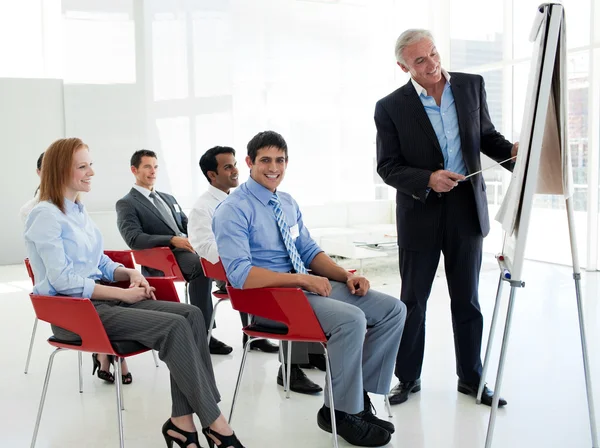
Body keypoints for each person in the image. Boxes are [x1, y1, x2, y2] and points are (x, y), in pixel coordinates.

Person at [24, 138, 245, 448]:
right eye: (83, 166)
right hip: (76, 314)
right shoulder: (45, 215)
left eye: (91, 165)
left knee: (192, 314)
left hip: (98, 304)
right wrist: (122, 295)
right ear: (62, 170)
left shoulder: (76, 210)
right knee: (174, 326)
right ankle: (216, 423)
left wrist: (128, 273)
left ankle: (181, 423)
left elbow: (98, 260)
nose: (91, 173)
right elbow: (62, 280)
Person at [213, 131, 406, 447]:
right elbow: (240, 276)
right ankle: (342, 412)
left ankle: (356, 399)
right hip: (269, 300)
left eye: (280, 160)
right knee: (351, 319)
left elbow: (309, 251)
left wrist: (344, 276)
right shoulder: (233, 209)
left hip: (305, 291)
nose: (273, 167)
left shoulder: (286, 203)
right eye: (265, 160)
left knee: (392, 310)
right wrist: (302, 280)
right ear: (249, 162)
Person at [374, 29, 518, 407]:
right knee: (413, 302)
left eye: (434, 54)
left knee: (467, 300)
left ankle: (472, 378)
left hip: (466, 210)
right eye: (420, 61)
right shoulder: (390, 106)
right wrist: (428, 179)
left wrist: (515, 154)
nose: (432, 64)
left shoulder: (471, 86)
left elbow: (486, 137)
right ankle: (407, 378)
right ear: (403, 66)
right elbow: (387, 167)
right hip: (419, 210)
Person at [188, 146, 322, 395]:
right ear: (212, 175)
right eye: (227, 166)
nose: (236, 170)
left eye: (235, 164)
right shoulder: (205, 208)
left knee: (303, 273)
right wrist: (242, 249)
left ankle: (311, 354)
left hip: (257, 266)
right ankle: (291, 367)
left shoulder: (249, 198)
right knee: (289, 284)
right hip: (229, 271)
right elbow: (203, 247)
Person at [116, 150, 232, 355]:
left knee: (229, 255)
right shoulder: (127, 203)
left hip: (188, 247)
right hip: (166, 254)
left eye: (155, 166)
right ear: (134, 170)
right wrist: (171, 240)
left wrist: (200, 238)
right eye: (147, 167)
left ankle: (226, 281)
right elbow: (133, 238)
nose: (153, 171)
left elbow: (188, 225)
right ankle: (204, 334)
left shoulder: (168, 198)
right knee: (200, 267)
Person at [19, 152, 45, 224]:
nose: (53, 174)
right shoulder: (29, 210)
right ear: (38, 172)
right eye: (47, 169)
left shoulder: (72, 201)